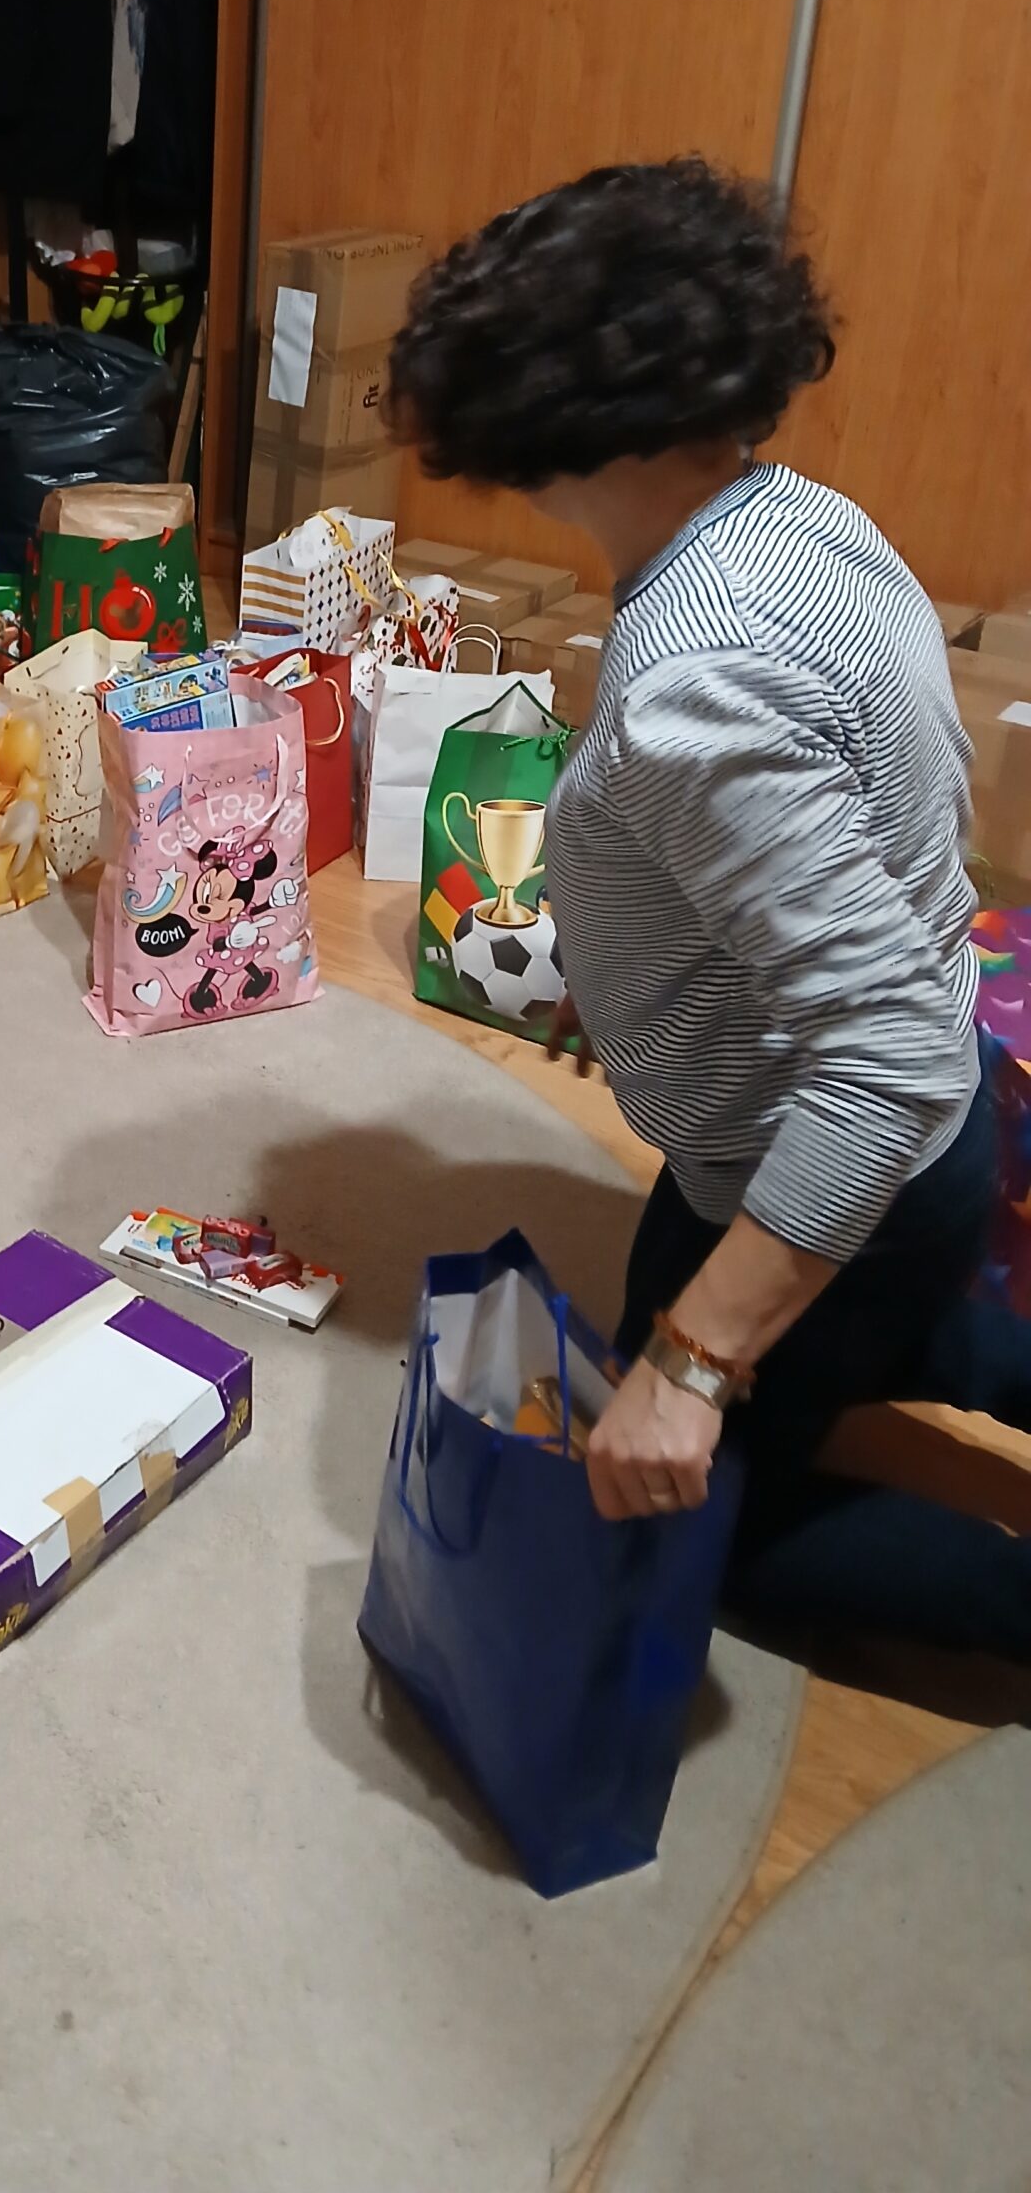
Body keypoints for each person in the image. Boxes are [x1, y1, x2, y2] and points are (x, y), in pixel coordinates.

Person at [390, 156, 1031, 1660]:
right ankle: (892, 1331)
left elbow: (884, 1064)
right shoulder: (797, 517)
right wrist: (626, 971)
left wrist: (692, 1365)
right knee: (849, 1316)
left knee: (683, 1512)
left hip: (840, 1150)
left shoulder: (699, 682)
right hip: (907, 1122)